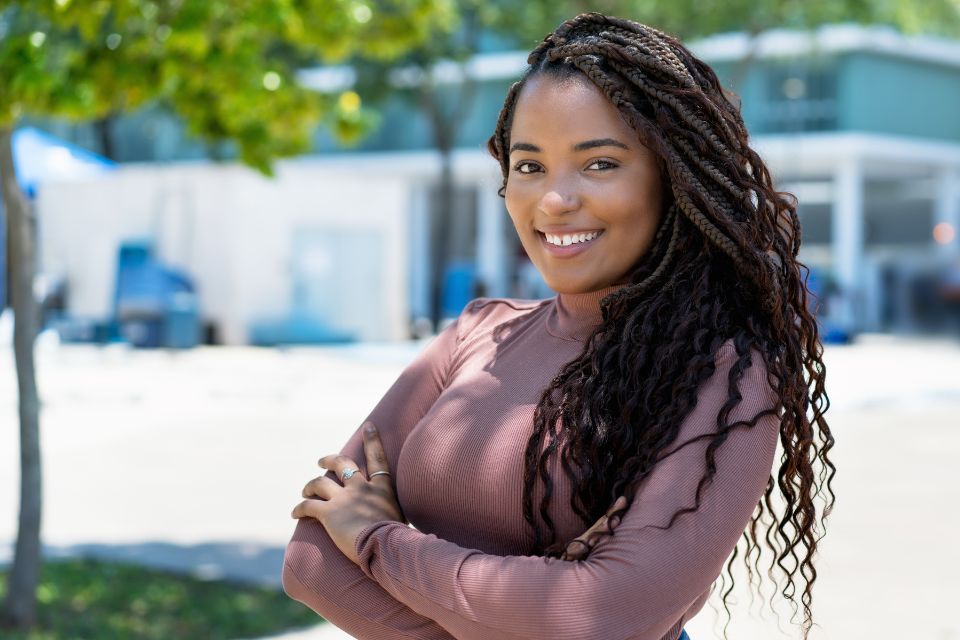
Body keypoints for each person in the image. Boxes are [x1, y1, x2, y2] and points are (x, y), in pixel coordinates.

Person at [283, 13, 835, 640]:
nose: (553, 200)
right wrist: (526, 604)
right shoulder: (474, 333)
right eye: (529, 166)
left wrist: (379, 540)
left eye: (599, 164)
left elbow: (599, 616)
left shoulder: (724, 376)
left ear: (672, 180)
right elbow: (311, 563)